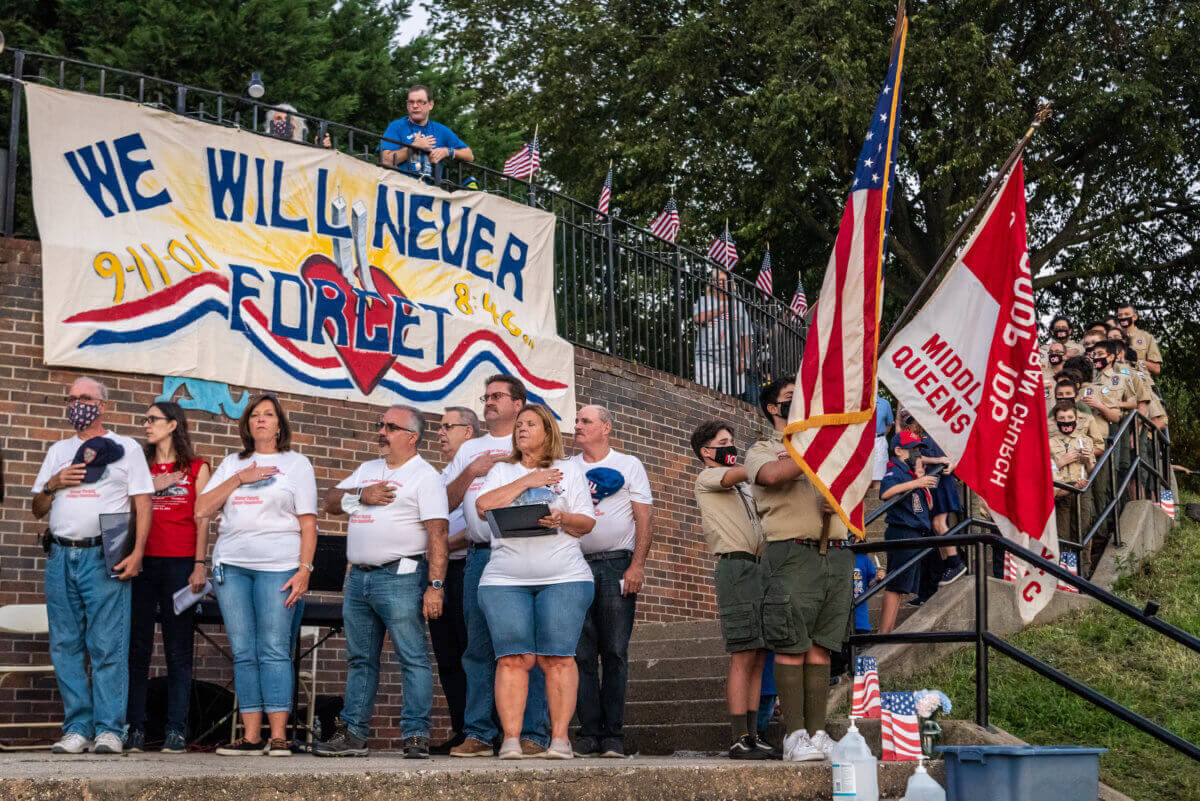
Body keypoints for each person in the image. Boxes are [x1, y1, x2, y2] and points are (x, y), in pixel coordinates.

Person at [312, 405, 448, 759]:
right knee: (360, 659)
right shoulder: (367, 470)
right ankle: (353, 735)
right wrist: (362, 496)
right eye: (380, 425)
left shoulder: (425, 476)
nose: (381, 432)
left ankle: (416, 735)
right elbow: (328, 502)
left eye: (390, 427)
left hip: (401, 575)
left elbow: (438, 533)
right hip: (358, 579)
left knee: (412, 658)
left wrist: (435, 586)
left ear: (412, 436)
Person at [31, 377, 154, 755]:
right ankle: (77, 728)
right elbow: (37, 508)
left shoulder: (127, 448)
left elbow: (143, 503)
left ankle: (109, 730)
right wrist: (52, 485)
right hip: (60, 555)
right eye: (71, 398)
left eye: (84, 398)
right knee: (65, 645)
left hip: (105, 553)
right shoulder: (58, 450)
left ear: (104, 406)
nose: (76, 404)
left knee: (107, 645)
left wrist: (137, 553)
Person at [196, 394, 317, 757]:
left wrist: (305, 570)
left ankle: (278, 735)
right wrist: (238, 479)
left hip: (278, 566)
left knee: (274, 650)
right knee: (244, 652)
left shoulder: (297, 464)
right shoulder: (233, 463)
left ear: (280, 424)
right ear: (247, 423)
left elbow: (309, 524)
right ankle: (251, 737)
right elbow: (202, 508)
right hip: (231, 566)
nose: (261, 420)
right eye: (255, 415)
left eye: (268, 415)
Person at [475, 404, 596, 760]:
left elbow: (587, 523)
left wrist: (562, 517)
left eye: (531, 423)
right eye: (519, 424)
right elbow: (484, 505)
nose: (522, 429)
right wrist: (528, 480)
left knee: (557, 658)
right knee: (513, 658)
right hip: (504, 578)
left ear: (548, 431)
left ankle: (559, 741)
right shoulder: (502, 470)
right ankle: (511, 740)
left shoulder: (569, 470)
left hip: (564, 576)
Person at [746, 379, 852, 763]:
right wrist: (813, 448)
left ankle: (818, 732)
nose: (802, 402)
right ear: (774, 408)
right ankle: (794, 735)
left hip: (836, 552)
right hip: (792, 552)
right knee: (791, 645)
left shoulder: (827, 450)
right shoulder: (762, 449)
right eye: (792, 399)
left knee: (822, 647)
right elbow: (772, 476)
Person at [444, 376, 550, 757]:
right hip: (480, 554)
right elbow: (445, 503)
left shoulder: (530, 441)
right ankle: (478, 732)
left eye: (497, 396)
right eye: (486, 396)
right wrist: (471, 471)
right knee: (478, 649)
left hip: (526, 552)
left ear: (519, 404)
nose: (488, 402)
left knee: (528, 647)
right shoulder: (470, 449)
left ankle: (532, 734)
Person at [568, 405, 654, 759]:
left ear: (606, 428)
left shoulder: (629, 464)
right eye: (576, 421)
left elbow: (644, 519)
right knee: (581, 654)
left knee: (615, 651)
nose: (577, 426)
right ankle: (589, 733)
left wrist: (637, 565)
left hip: (617, 564)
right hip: (573, 566)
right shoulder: (567, 468)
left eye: (585, 421)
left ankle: (613, 736)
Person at [126, 402, 211, 754]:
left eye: (153, 419)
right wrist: (152, 485)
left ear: (173, 424)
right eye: (145, 420)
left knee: (178, 650)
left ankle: (176, 728)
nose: (146, 425)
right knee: (137, 650)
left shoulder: (197, 466)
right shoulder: (140, 466)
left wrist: (199, 563)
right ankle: (134, 726)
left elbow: (203, 517)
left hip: (180, 564)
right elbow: (122, 507)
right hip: (143, 563)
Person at [690, 420, 775, 760]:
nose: (731, 447)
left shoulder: (744, 487)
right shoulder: (708, 477)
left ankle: (754, 734)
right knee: (743, 653)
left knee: (759, 653)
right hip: (736, 566)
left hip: (759, 566)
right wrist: (761, 461)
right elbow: (738, 473)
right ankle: (740, 736)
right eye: (723, 442)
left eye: (732, 441)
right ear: (706, 451)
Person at [427, 406, 481, 754]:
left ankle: (479, 731)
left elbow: (475, 529)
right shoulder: (439, 475)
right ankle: (460, 730)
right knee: (446, 657)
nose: (441, 433)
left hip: (465, 569)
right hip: (438, 574)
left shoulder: (482, 470)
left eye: (448, 426)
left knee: (470, 653)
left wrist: (440, 545)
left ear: (469, 432)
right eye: (440, 427)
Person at [877, 430, 937, 636]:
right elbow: (885, 493)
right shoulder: (895, 470)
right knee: (895, 586)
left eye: (918, 450)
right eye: (913, 450)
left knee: (901, 587)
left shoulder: (909, 472)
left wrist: (918, 480)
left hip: (913, 534)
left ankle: (888, 631)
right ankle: (884, 634)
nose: (917, 454)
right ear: (899, 450)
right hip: (902, 532)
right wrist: (917, 483)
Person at [381, 85, 473, 178]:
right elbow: (386, 161)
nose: (415, 106)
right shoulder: (397, 126)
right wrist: (413, 147)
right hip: (403, 188)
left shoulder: (440, 130)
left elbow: (469, 155)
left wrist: (447, 151)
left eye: (420, 102)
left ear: (431, 105)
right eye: (411, 102)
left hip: (429, 190)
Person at [693, 268, 751, 395]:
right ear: (712, 283)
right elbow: (698, 319)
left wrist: (742, 360)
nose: (720, 283)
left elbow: (746, 335)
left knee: (732, 399)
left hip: (731, 360)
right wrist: (722, 308)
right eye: (716, 280)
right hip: (706, 357)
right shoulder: (703, 301)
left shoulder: (739, 305)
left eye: (723, 281)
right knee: (704, 395)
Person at [1049, 402, 1095, 542]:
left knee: (1084, 531)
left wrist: (1087, 459)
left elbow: (1093, 471)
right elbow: (1045, 472)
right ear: (1055, 420)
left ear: (1076, 418)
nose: (1066, 421)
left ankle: (1084, 563)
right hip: (1061, 490)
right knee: (1062, 534)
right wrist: (1060, 462)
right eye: (1061, 418)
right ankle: (1064, 564)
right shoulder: (1048, 443)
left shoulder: (1085, 441)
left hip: (1082, 489)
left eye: (1070, 417)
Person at [1116, 303, 1162, 376]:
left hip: (1141, 384)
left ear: (1134, 317)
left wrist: (1136, 361)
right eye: (1120, 315)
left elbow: (1156, 369)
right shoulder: (1111, 337)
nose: (1123, 317)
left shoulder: (1147, 337)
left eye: (1126, 314)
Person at [872, 394, 895, 492]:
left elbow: (889, 424)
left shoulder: (885, 404)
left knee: (878, 476)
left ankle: (877, 503)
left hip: (879, 441)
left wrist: (879, 436)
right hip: (861, 441)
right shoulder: (858, 401)